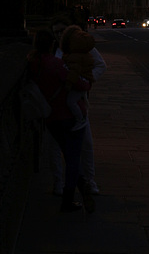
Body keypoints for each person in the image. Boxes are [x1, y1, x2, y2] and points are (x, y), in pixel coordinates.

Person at [27, 28, 93, 212]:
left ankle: (81, 186)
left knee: (66, 152)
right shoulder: (55, 63)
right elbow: (79, 83)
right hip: (68, 116)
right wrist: (86, 83)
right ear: (52, 45)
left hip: (50, 117)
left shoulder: (33, 63)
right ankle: (69, 197)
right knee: (73, 158)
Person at [51, 14, 107, 196]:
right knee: (55, 148)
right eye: (55, 32)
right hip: (57, 105)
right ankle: (59, 183)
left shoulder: (81, 47)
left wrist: (85, 82)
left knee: (86, 144)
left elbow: (100, 66)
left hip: (78, 103)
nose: (59, 35)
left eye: (61, 31)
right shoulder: (55, 49)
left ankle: (90, 182)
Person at [60, 25, 96, 131]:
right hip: (85, 81)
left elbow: (74, 72)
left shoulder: (75, 56)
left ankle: (80, 119)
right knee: (79, 101)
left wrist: (69, 83)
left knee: (71, 101)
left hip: (80, 81)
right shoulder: (85, 54)